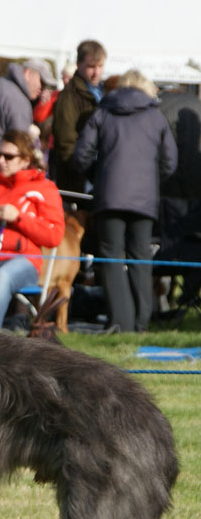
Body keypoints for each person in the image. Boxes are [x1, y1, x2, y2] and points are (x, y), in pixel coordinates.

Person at [72, 69, 178, 332]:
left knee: (110, 258)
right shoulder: (156, 117)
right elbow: (170, 162)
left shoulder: (103, 112)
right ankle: (141, 323)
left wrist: (99, 178)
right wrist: (150, 182)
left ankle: (121, 322)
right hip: (144, 199)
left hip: (109, 196)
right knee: (141, 258)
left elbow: (80, 155)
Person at [0, 129, 64, 331]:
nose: (1, 161)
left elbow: (54, 235)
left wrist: (19, 218)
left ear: (26, 160)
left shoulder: (44, 188)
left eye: (9, 156)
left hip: (24, 261)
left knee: (3, 277)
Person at [52, 40, 106, 194]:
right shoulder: (69, 96)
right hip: (78, 180)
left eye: (100, 66)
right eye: (91, 67)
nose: (96, 72)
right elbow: (65, 142)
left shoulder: (102, 91)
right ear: (79, 64)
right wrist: (86, 171)